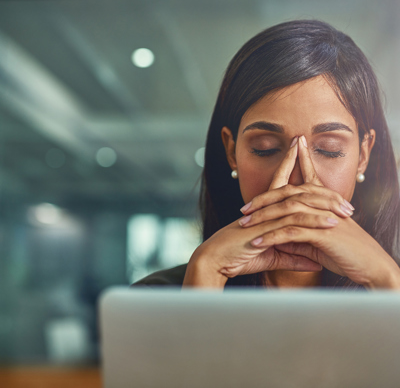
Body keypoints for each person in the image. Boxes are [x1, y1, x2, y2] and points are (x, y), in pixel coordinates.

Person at [134, 19, 400, 290]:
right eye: (266, 148)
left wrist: (387, 281)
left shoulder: (392, 284)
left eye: (328, 149)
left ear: (363, 155)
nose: (296, 179)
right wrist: (205, 273)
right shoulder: (157, 295)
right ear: (231, 151)